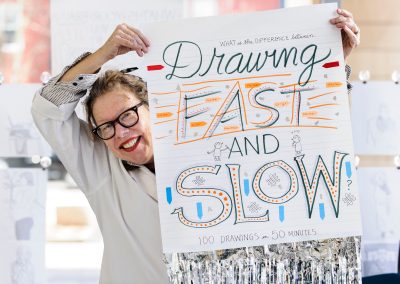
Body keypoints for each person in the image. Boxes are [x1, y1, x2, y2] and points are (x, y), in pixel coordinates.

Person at [31, 8, 360, 284]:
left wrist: (329, 59)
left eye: (128, 116)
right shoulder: (101, 172)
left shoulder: (222, 147)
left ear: (154, 108)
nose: (120, 132)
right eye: (106, 127)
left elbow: (298, 134)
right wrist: (102, 55)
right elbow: (47, 111)